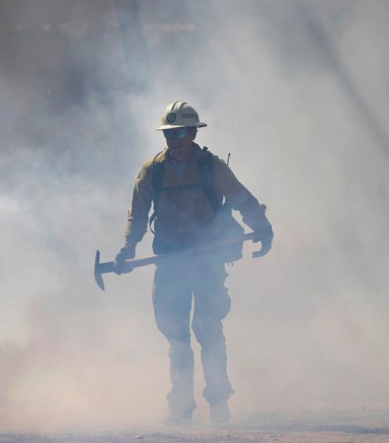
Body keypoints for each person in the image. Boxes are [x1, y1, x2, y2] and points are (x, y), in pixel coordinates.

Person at [115, 100, 273, 425]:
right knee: (176, 335)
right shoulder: (153, 171)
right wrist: (128, 249)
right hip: (171, 260)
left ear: (192, 134)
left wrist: (262, 227)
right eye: (169, 134)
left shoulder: (210, 167)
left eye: (181, 133)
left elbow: (242, 198)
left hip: (207, 260)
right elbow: (138, 215)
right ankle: (181, 407)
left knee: (207, 328)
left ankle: (218, 401)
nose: (174, 141)